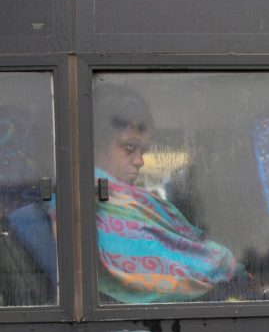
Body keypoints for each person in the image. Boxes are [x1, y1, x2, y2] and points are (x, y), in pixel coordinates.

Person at [92, 83, 255, 303]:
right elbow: (178, 266)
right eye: (130, 147)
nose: (140, 161)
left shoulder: (125, 201)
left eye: (143, 151)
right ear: (96, 143)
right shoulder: (94, 204)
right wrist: (226, 264)